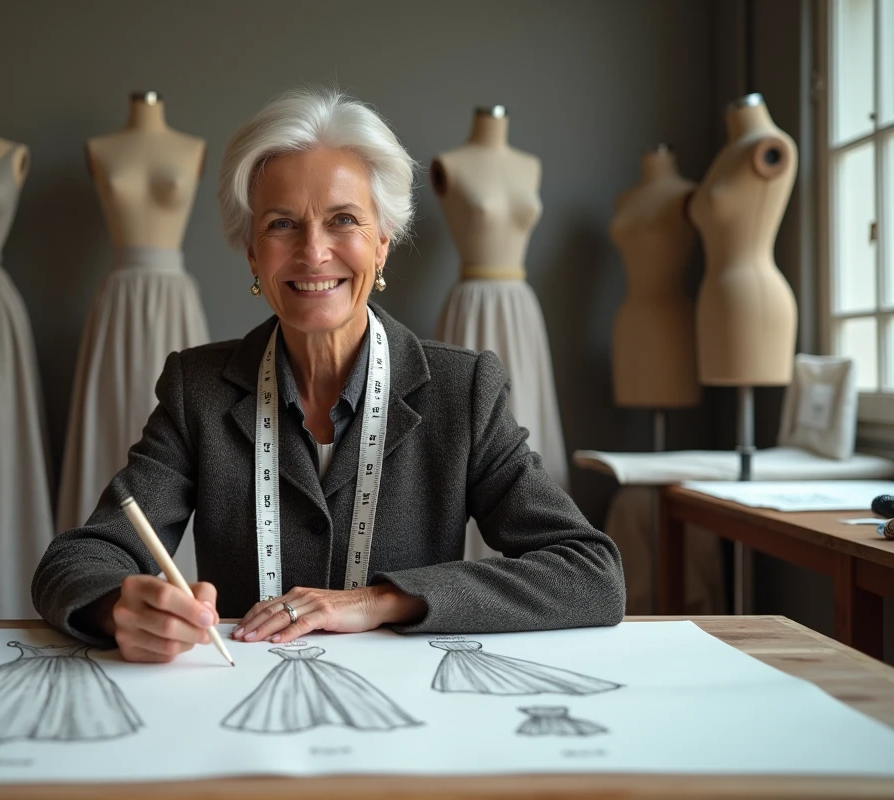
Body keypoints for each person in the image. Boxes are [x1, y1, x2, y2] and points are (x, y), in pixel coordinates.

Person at [33, 88, 625, 663]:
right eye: (281, 224)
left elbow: (590, 573)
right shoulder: (199, 389)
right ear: (252, 252)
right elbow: (76, 561)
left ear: (383, 243)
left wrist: (379, 601)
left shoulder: (460, 391)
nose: (313, 252)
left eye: (343, 219)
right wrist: (118, 607)